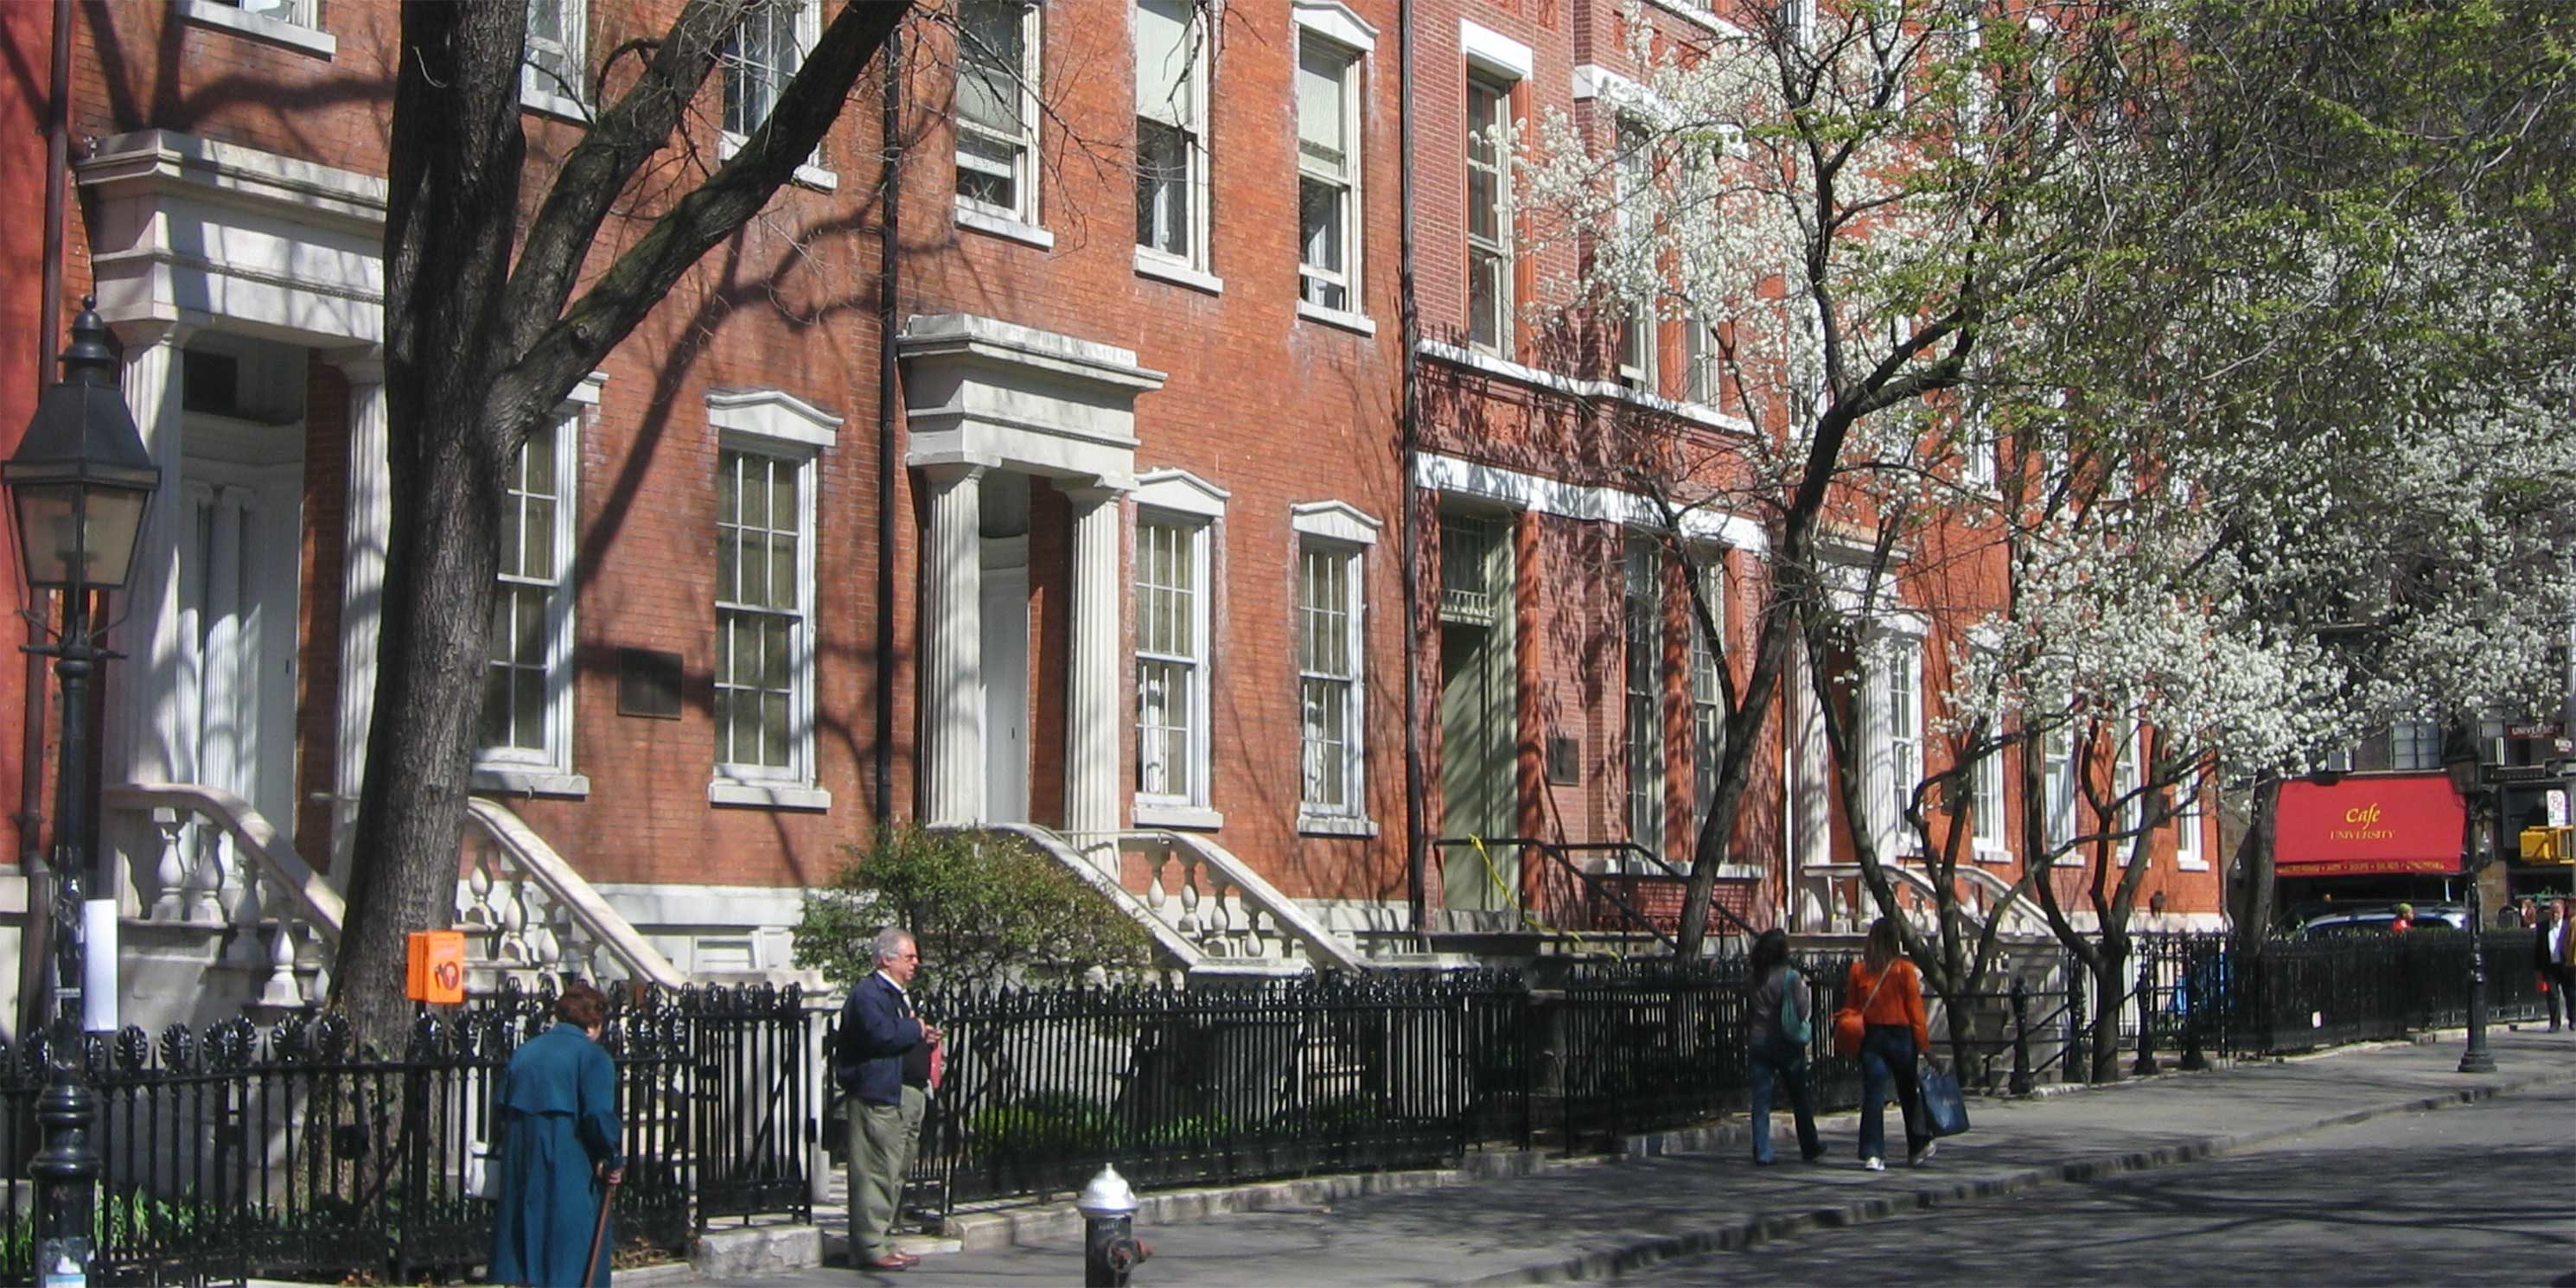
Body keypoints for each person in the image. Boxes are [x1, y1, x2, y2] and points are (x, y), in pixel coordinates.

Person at [489, 981, 625, 1288]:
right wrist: (611, 1156)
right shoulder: (592, 1057)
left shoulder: (523, 1053)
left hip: (521, 1161)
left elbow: (500, 1106)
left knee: (525, 1252)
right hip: (568, 1165)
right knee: (571, 1255)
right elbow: (598, 1116)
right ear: (593, 1024)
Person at [838, 928, 941, 1272]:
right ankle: (869, 1245)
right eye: (909, 957)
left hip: (905, 1092)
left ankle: (884, 1239)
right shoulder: (868, 993)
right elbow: (880, 1034)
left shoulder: (898, 995)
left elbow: (897, 1033)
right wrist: (915, 1029)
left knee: (895, 1172)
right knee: (875, 1173)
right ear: (887, 958)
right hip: (878, 1095)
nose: (916, 963)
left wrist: (922, 1034)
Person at [1845, 917, 1934, 1171]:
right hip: (1901, 1036)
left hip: (1872, 1036)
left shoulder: (1858, 970)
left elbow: (1851, 1009)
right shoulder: (1904, 970)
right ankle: (1917, 1146)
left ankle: (1872, 1152)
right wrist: (1925, 1047)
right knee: (1908, 1091)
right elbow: (1916, 1013)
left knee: (1873, 1093)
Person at [1743, 928, 1822, 1165]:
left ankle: (1762, 1150)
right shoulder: (1791, 977)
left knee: (1761, 1099)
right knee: (1799, 1096)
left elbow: (1749, 1010)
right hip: (1785, 1042)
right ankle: (1809, 1145)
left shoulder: (1753, 978)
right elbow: (1802, 1008)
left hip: (1759, 1040)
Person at [2538, 899, 2572, 1033]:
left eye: (2557, 912)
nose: (2554, 915)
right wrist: (2538, 968)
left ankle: (2573, 1020)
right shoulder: (2543, 926)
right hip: (2549, 966)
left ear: (2562, 913)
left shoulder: (2568, 925)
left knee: (2570, 994)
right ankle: (2554, 1022)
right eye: (2552, 912)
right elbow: (2538, 948)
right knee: (2552, 995)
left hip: (2566, 965)